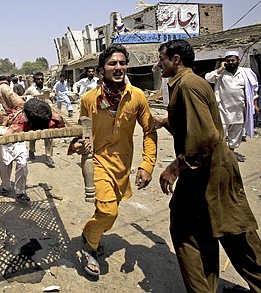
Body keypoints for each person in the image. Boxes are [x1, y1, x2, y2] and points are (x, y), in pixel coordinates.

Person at [154, 39, 261, 293]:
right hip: (205, 168)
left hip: (210, 170)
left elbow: (205, 137)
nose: (159, 63)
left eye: (162, 58)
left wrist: (173, 169)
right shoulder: (187, 84)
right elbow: (193, 124)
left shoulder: (187, 86)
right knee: (203, 229)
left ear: (176, 59)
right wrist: (164, 121)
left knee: (229, 231)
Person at [68, 44, 157, 277]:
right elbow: (82, 131)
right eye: (112, 64)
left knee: (109, 210)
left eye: (121, 63)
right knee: (108, 212)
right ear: (101, 70)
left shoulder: (137, 96)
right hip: (96, 161)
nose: (118, 67)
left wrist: (147, 165)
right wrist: (76, 145)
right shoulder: (89, 99)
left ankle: (91, 233)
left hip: (122, 165)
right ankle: (89, 247)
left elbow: (150, 131)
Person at [204, 50, 259, 162]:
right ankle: (221, 154)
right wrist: (220, 68)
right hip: (223, 110)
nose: (230, 63)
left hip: (239, 110)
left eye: (233, 60)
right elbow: (208, 78)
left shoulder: (245, 73)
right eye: (228, 61)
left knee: (236, 134)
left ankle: (231, 154)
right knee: (220, 134)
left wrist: (255, 104)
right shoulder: (220, 74)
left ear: (238, 60)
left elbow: (253, 91)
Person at [0, 76, 29, 202]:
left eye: (7, 84)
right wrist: (4, 120)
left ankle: (20, 191)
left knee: (22, 162)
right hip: (3, 136)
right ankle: (6, 186)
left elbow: (22, 108)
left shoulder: (14, 100)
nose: (5, 87)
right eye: (2, 84)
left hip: (17, 134)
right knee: (4, 165)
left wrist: (10, 118)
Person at [24, 72, 55, 167]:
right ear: (34, 80)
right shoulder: (30, 90)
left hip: (45, 115)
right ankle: (31, 150)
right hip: (34, 116)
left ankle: (48, 156)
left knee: (48, 135)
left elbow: (52, 100)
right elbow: (24, 99)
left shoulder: (47, 89)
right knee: (33, 134)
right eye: (38, 79)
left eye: (41, 79)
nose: (40, 80)